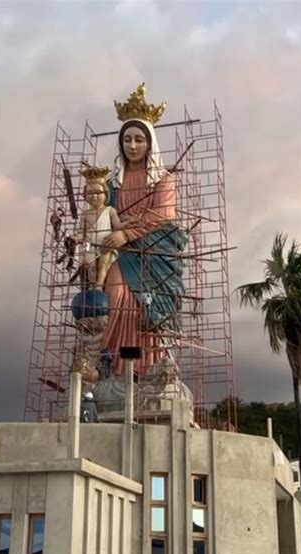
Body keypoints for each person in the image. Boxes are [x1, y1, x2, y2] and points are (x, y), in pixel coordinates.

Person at [101, 84, 187, 376]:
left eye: (139, 139)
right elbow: (103, 214)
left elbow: (163, 214)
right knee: (113, 295)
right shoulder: (112, 182)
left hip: (154, 253)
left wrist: (127, 233)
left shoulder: (163, 179)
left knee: (147, 307)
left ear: (150, 142)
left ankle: (148, 366)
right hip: (119, 253)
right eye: (127, 140)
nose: (133, 146)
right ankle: (116, 367)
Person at [76, 167, 128, 290]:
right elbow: (81, 231)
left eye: (98, 193)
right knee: (91, 267)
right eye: (90, 193)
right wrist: (77, 237)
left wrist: (129, 223)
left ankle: (99, 286)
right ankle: (93, 285)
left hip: (105, 242)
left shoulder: (110, 210)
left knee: (103, 264)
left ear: (105, 193)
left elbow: (117, 226)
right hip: (90, 244)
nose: (94, 196)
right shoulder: (86, 214)